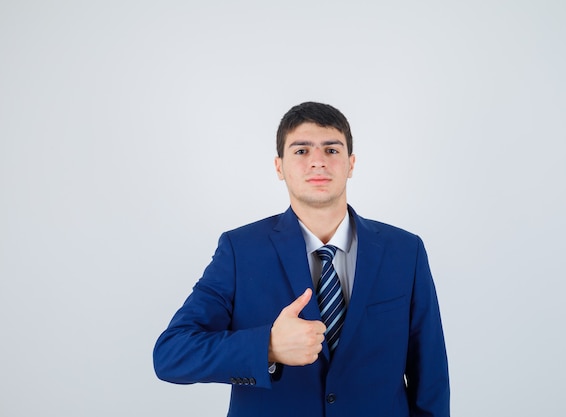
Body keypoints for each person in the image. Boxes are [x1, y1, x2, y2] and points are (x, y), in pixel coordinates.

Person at [153, 102, 450, 417]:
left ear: (351, 164)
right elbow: (172, 354)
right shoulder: (240, 250)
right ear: (279, 167)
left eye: (332, 150)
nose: (318, 162)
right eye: (301, 151)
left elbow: (429, 376)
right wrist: (267, 347)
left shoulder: (405, 250)